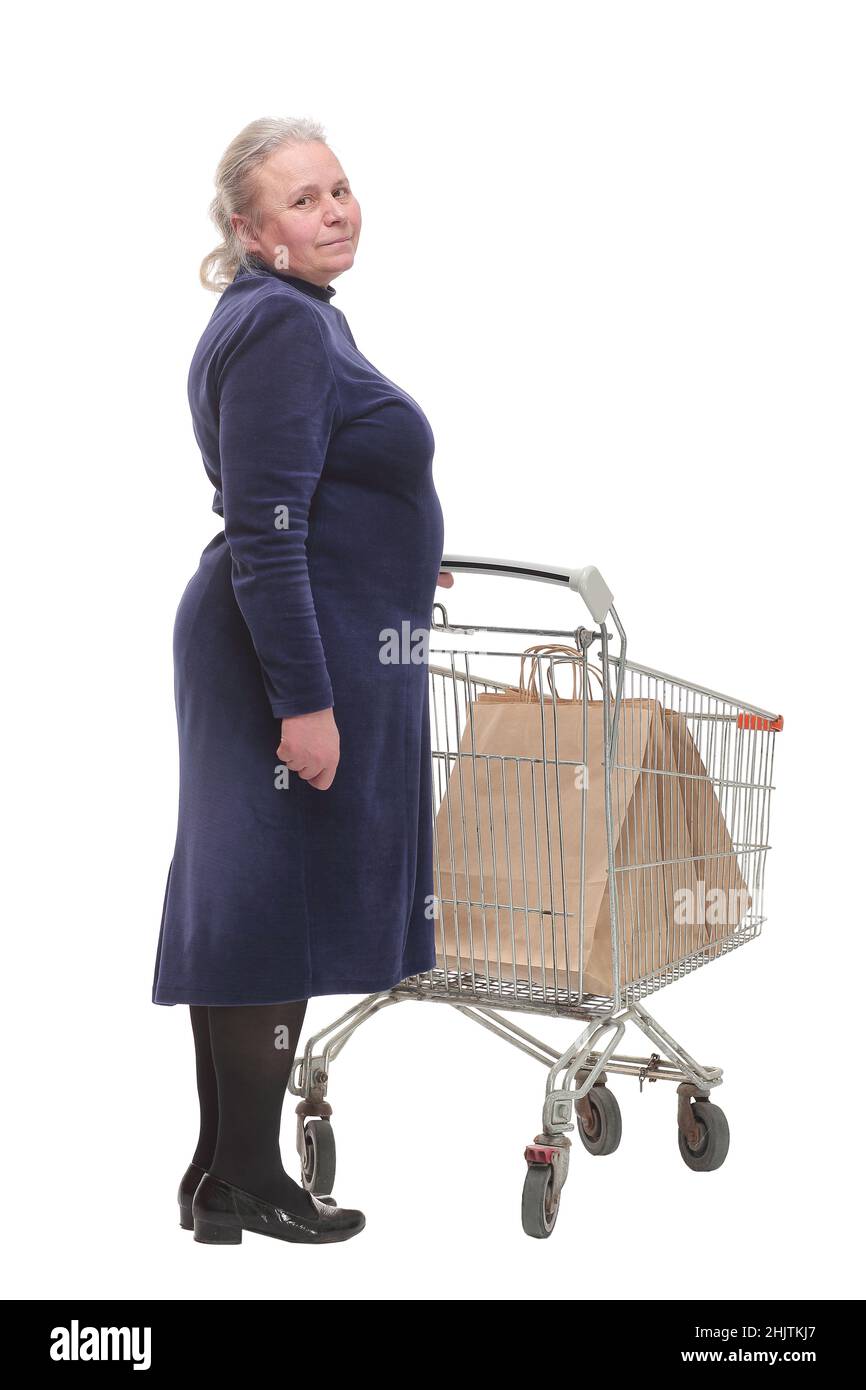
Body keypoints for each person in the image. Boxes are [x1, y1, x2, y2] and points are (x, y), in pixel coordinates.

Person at [152, 116, 452, 1246]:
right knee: (272, 911)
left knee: (253, 909)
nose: (332, 211)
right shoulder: (281, 326)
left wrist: (400, 559)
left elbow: (315, 495)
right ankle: (245, 1175)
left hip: (292, 636)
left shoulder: (288, 316)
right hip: (283, 656)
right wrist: (305, 703)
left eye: (338, 188)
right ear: (250, 231)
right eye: (301, 200)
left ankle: (222, 1171)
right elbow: (265, 527)